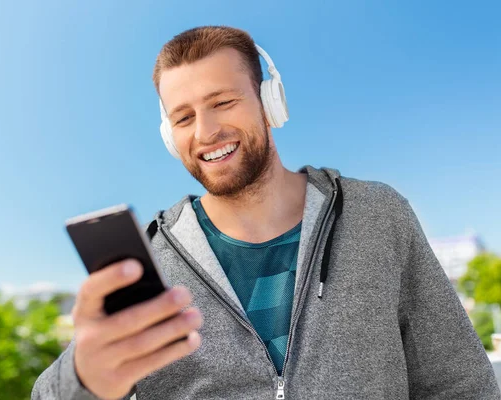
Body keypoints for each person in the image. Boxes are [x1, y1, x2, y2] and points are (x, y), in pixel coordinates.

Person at [32, 26, 501, 399]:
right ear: (168, 136)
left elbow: (461, 385)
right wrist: (83, 382)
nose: (207, 131)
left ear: (269, 103)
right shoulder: (150, 261)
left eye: (223, 102)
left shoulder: (377, 215)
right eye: (184, 117)